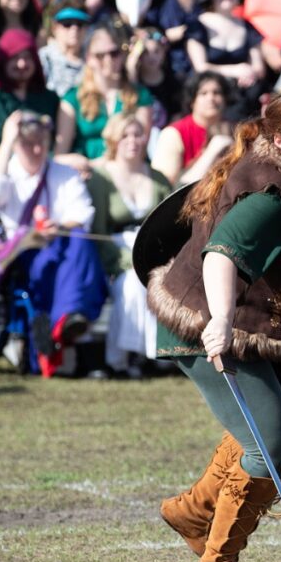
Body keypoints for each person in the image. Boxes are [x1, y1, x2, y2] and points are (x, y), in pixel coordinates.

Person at [148, 87, 281, 562]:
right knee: (270, 442)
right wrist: (218, 320)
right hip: (203, 322)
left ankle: (193, 512)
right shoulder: (271, 197)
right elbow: (221, 254)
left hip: (249, 323)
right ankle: (215, 561)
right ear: (280, 140)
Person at [0, 110, 107, 377]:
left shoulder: (63, 173)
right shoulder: (8, 173)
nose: (36, 149)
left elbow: (83, 213)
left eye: (41, 142)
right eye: (28, 144)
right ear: (16, 145)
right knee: (64, 255)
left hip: (64, 249)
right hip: (24, 255)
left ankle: (68, 319)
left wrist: (58, 227)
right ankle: (65, 319)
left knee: (80, 240)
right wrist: (6, 141)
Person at [88, 113, 170, 377]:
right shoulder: (101, 178)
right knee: (132, 285)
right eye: (125, 135)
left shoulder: (156, 178)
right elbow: (97, 231)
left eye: (137, 134)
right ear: (113, 139)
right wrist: (126, 262)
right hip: (115, 250)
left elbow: (171, 224)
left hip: (152, 249)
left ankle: (156, 356)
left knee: (158, 284)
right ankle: (122, 359)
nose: (132, 141)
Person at [55, 21, 154, 177]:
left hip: (130, 174)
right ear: (88, 57)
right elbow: (59, 155)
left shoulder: (140, 96)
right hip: (87, 177)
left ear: (122, 55)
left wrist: (97, 164)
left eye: (114, 53)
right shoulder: (72, 99)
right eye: (100, 55)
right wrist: (75, 161)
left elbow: (140, 145)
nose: (108, 60)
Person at [0, 29, 59, 176]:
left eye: (27, 57)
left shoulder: (47, 98)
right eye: (14, 57)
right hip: (0, 176)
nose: (22, 64)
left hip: (46, 174)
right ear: (2, 61)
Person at [186, 0, 266, 121]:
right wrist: (235, 70)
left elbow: (259, 67)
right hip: (209, 99)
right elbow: (200, 67)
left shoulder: (247, 27)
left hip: (243, 99)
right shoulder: (197, 26)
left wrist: (249, 73)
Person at [151, 71, 234, 186]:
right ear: (192, 101)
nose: (211, 98)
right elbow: (164, 186)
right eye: (203, 93)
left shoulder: (235, 130)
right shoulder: (173, 133)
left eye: (217, 93)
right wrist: (213, 150)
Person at [39, 6, 90, 98]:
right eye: (67, 24)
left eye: (80, 24)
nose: (74, 29)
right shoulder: (44, 57)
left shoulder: (93, 59)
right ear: (54, 28)